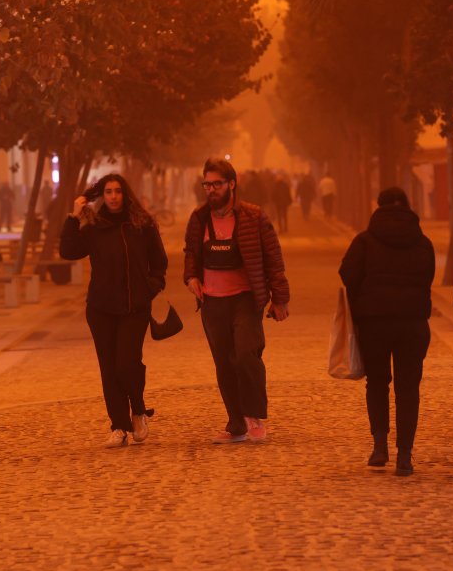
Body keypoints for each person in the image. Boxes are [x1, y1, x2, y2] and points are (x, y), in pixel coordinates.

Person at [184, 158, 291, 443]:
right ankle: (236, 424)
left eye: (217, 184)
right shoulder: (199, 218)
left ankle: (253, 415)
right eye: (207, 184)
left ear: (232, 184)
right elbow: (191, 252)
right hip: (212, 302)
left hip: (246, 299)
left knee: (245, 355)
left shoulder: (254, 217)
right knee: (224, 363)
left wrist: (279, 298)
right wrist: (191, 277)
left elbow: (273, 258)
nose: (211, 190)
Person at [60, 174, 168, 449]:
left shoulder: (142, 224)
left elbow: (159, 262)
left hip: (134, 308)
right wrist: (74, 216)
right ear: (102, 196)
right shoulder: (95, 226)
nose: (113, 196)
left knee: (127, 363)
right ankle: (119, 426)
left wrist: (149, 288)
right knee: (109, 369)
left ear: (125, 193)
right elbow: (68, 251)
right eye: (108, 192)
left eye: (118, 191)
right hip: (101, 309)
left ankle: (138, 410)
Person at [338, 187, 434, 476]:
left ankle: (379, 447)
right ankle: (405, 456)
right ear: (407, 205)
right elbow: (427, 276)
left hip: (374, 323)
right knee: (408, 388)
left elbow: (347, 274)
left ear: (378, 206)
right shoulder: (422, 242)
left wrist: (365, 298)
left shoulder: (364, 241)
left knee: (377, 383)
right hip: (412, 323)